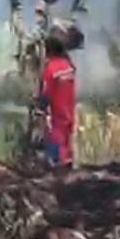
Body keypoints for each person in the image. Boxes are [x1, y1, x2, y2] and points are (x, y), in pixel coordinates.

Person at [37, 33, 77, 168]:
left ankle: (58, 169)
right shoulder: (68, 66)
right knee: (67, 140)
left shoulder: (51, 68)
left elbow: (47, 93)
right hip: (69, 110)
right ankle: (68, 164)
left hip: (57, 112)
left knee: (56, 140)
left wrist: (39, 104)